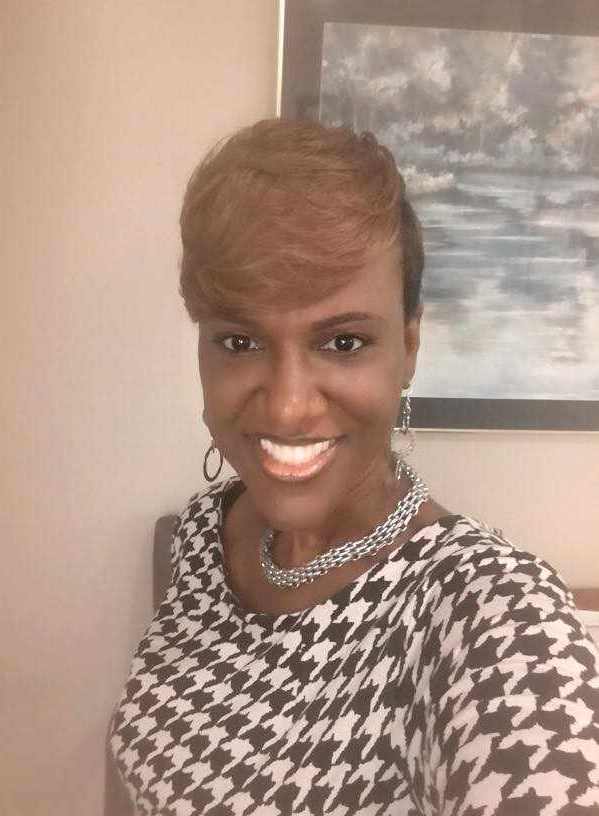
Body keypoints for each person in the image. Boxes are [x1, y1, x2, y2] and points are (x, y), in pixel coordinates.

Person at [109, 118, 599, 816]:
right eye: (240, 340)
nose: (286, 406)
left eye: (342, 342)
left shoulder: (492, 615)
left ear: (407, 347)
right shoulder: (202, 536)